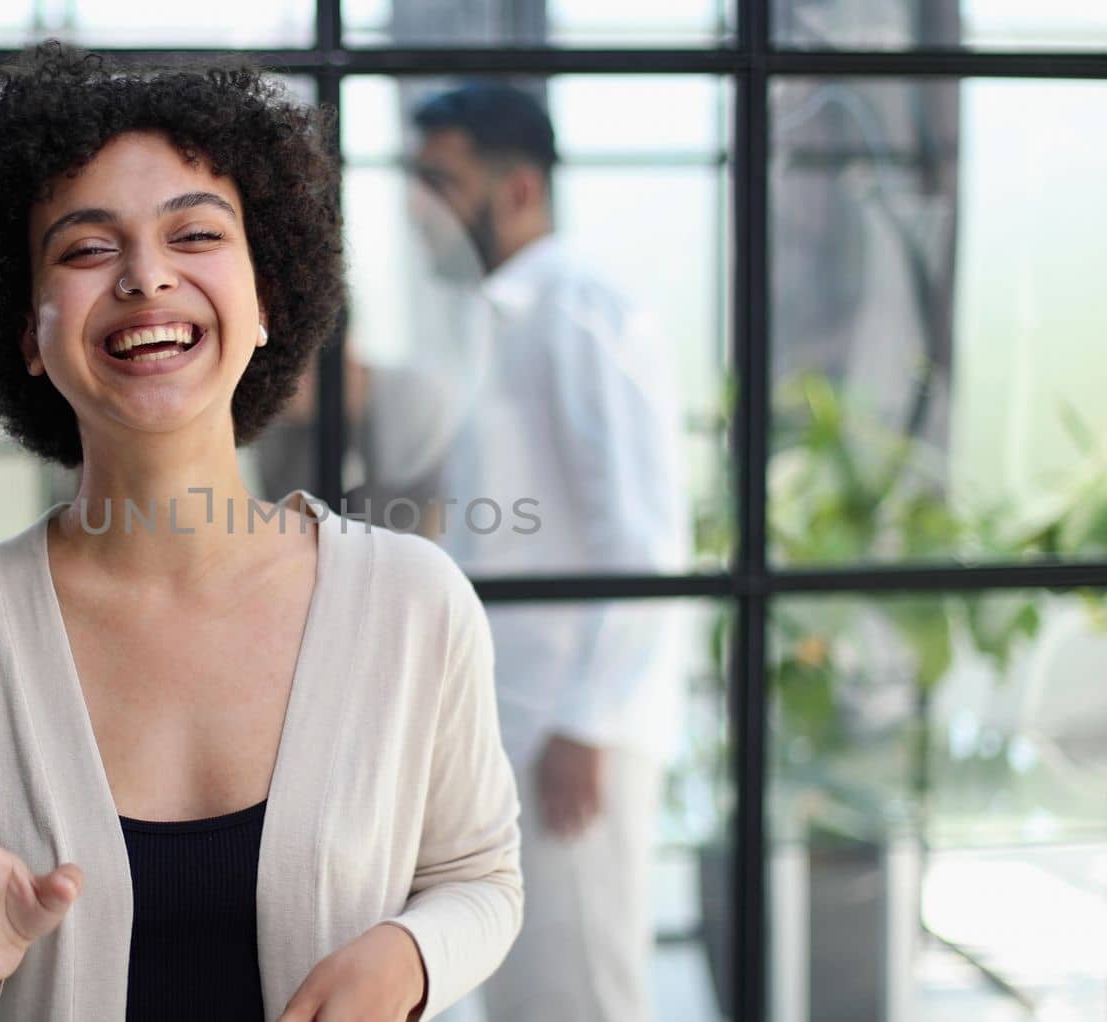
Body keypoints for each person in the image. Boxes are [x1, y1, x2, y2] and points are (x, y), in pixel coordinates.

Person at [0, 42, 523, 1022]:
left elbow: (481, 877)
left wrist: (408, 954)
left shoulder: (412, 601)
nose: (146, 277)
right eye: (88, 247)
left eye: (195, 235)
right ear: (26, 328)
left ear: (265, 295)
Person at [408, 84, 691, 1022]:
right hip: (513, 721)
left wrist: (590, 721)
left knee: (582, 993)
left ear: (519, 189)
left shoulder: (579, 310)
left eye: (441, 181)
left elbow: (643, 536)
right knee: (528, 992)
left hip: (570, 735)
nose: (420, 208)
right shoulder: (500, 317)